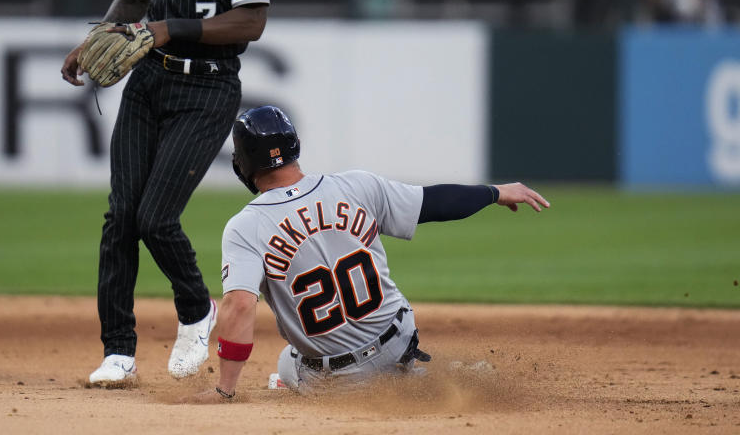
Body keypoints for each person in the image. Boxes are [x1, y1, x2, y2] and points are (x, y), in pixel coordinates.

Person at [60, 0, 271, 386]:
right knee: (120, 216)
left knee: (156, 217)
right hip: (148, 84)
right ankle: (118, 352)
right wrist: (96, 36)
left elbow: (251, 21)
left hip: (207, 89)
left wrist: (164, 28)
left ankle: (195, 311)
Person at [189, 105, 549, 401]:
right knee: (339, 350)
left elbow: (239, 307)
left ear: (243, 163)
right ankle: (418, 374)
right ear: (296, 145)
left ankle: (399, 381)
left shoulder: (246, 226)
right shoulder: (357, 185)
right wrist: (494, 192)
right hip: (398, 341)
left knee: (287, 362)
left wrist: (225, 391)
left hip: (340, 378)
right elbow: (435, 203)